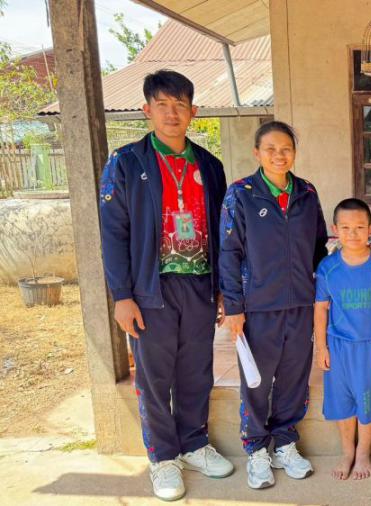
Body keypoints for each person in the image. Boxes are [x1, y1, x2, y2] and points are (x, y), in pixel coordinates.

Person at [99, 70, 233, 501]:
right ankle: (163, 458)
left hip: (199, 284)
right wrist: (122, 296)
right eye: (162, 105)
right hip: (150, 288)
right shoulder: (126, 162)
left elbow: (223, 231)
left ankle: (194, 444)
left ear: (194, 112)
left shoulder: (209, 165)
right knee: (155, 376)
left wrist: (222, 287)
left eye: (180, 105)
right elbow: (113, 233)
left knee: (196, 370)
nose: (171, 114)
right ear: (147, 110)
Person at [219, 121, 328, 489]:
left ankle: (284, 442)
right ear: (257, 153)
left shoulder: (307, 193)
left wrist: (323, 294)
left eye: (286, 149)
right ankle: (255, 449)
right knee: (257, 380)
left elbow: (318, 247)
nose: (279, 156)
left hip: (301, 303)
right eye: (271, 149)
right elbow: (229, 253)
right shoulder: (241, 194)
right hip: (257, 307)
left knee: (295, 377)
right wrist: (234, 306)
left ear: (294, 153)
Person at [314, 198, 371, 481]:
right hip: (338, 345)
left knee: (367, 399)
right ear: (334, 229)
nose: (353, 233)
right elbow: (321, 308)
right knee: (342, 401)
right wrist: (321, 347)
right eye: (346, 227)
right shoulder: (328, 267)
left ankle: (363, 452)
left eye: (360, 227)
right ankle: (347, 451)